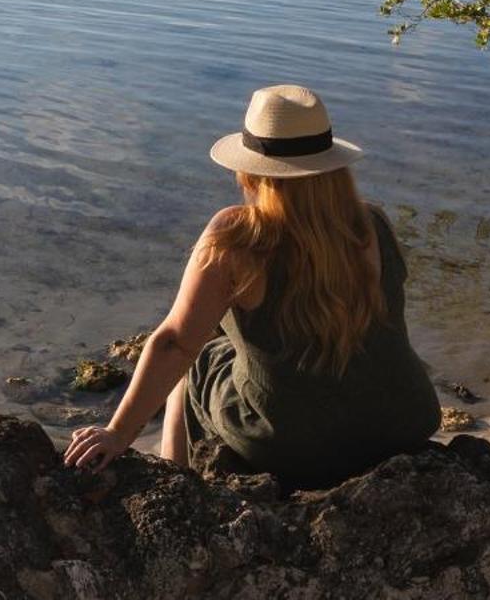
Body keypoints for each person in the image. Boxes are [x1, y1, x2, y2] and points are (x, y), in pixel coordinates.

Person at [63, 84, 439, 490]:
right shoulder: (372, 223)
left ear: (250, 169)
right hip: (404, 423)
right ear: (333, 165)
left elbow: (174, 343)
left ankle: (175, 483)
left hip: (296, 447)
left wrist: (118, 433)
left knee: (198, 356)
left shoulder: (240, 236)